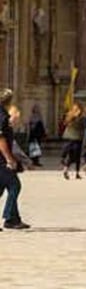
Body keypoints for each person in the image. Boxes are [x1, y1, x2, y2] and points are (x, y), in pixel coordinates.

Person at [0, 89, 25, 230]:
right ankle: (9, 217)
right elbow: (0, 139)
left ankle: (13, 219)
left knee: (6, 187)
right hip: (2, 160)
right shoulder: (2, 116)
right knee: (15, 185)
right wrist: (9, 158)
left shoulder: (3, 115)